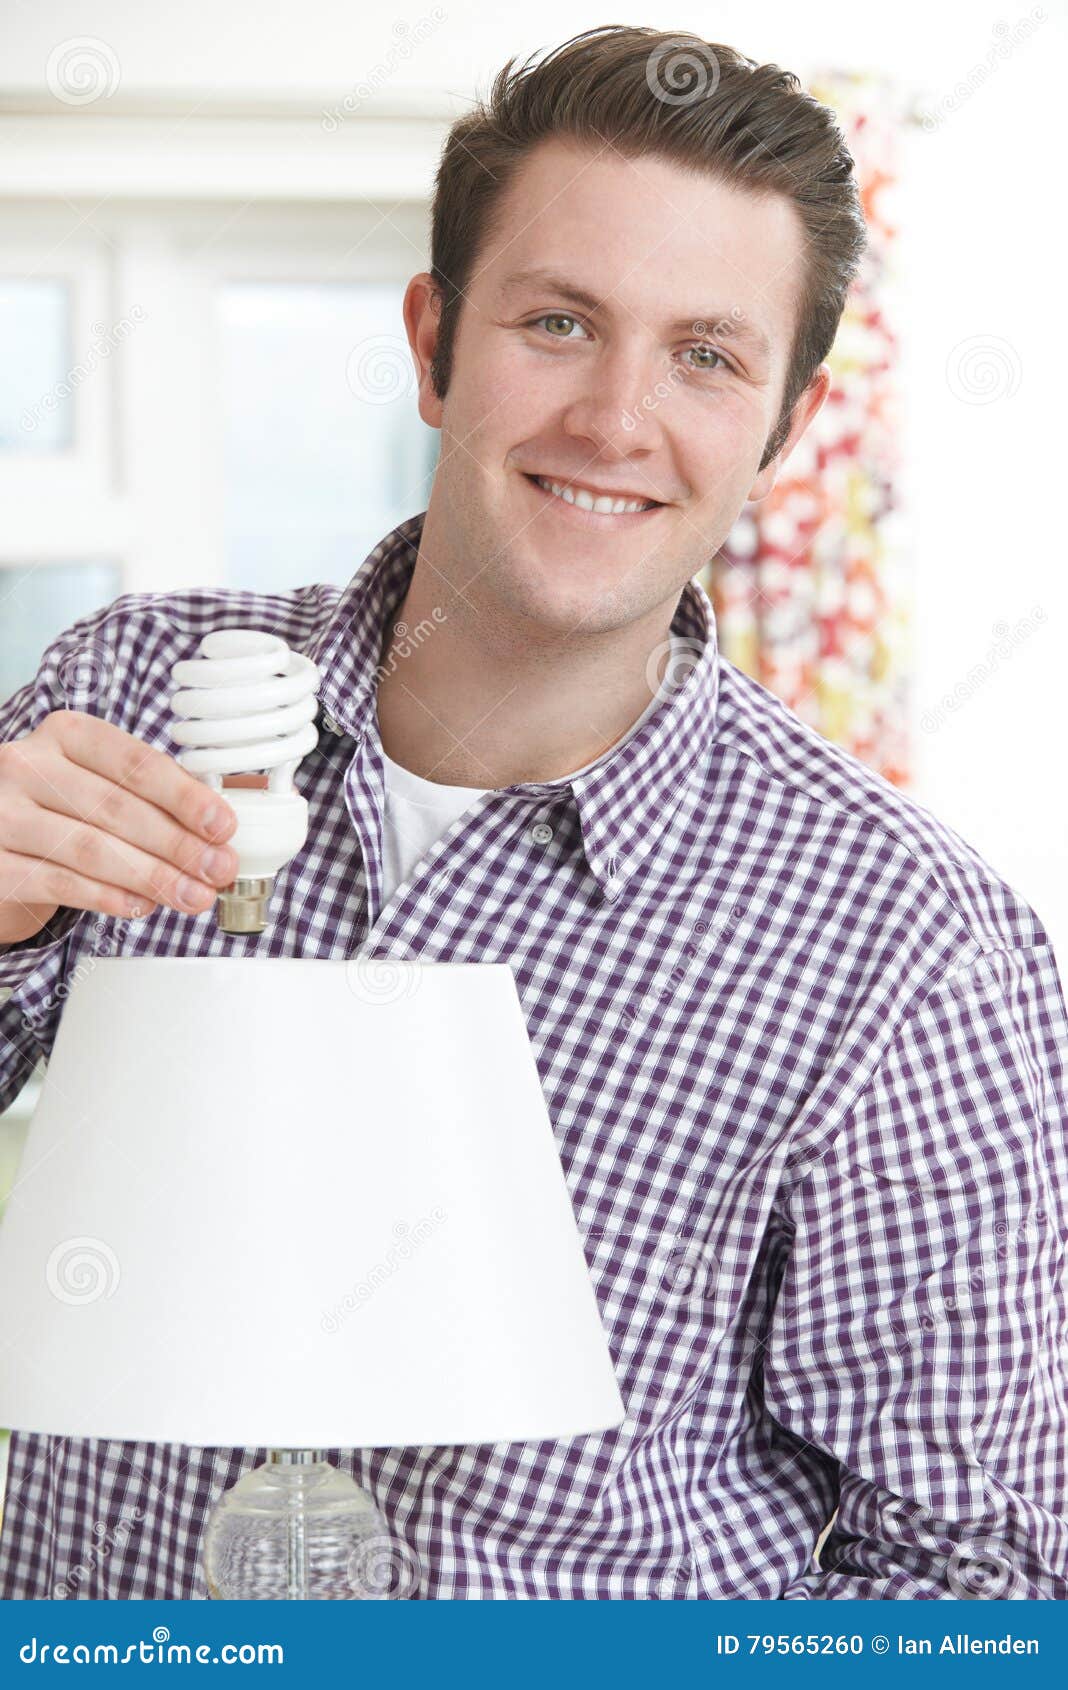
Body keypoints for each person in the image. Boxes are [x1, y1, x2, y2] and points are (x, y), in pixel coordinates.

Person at [0, 26, 1065, 1600]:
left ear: (780, 427)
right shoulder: (133, 694)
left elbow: (970, 1586)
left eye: (706, 354)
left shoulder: (912, 951)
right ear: (433, 342)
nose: (616, 419)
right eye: (558, 323)